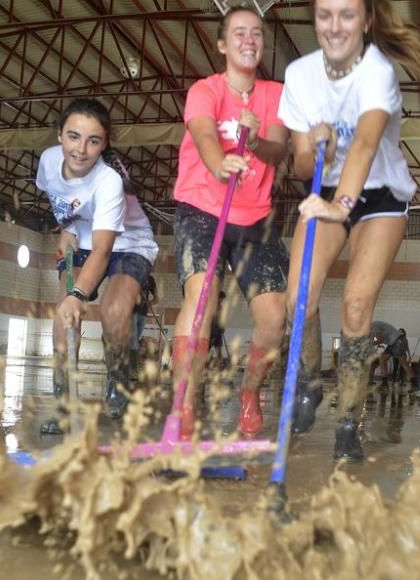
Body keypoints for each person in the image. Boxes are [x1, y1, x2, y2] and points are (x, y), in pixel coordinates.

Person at [279, 0, 420, 461]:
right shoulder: (299, 75)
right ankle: (308, 383)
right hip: (325, 186)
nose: (335, 26)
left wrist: (341, 205)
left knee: (354, 308)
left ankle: (349, 420)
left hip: (379, 195)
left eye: (347, 14)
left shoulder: (377, 71)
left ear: (367, 20)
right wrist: (315, 145)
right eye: (325, 14)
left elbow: (366, 144)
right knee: (299, 298)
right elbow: (302, 164)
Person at [170, 5, 290, 439]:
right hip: (202, 208)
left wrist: (256, 140)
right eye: (239, 33)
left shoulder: (275, 95)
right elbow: (203, 133)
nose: (249, 40)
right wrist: (220, 162)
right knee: (202, 298)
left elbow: (279, 152)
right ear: (222, 44)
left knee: (275, 315)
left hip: (254, 217)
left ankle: (250, 392)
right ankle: (182, 406)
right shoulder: (205, 90)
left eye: (256, 33)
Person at [36, 98, 158, 432]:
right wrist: (66, 230)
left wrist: (79, 293)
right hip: (83, 238)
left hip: (127, 243)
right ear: (60, 135)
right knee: (64, 313)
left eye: (93, 141)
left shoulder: (109, 180)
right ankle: (62, 400)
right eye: (73, 136)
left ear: (104, 144)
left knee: (114, 311)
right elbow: (61, 200)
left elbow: (104, 251)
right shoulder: (47, 162)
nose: (80, 150)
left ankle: (117, 381)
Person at [131, 273, 158, 354]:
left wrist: (148, 303)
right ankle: (133, 360)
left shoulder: (150, 279)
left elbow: (157, 299)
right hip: (132, 312)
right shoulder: (132, 275)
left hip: (143, 313)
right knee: (134, 337)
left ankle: (130, 357)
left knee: (135, 337)